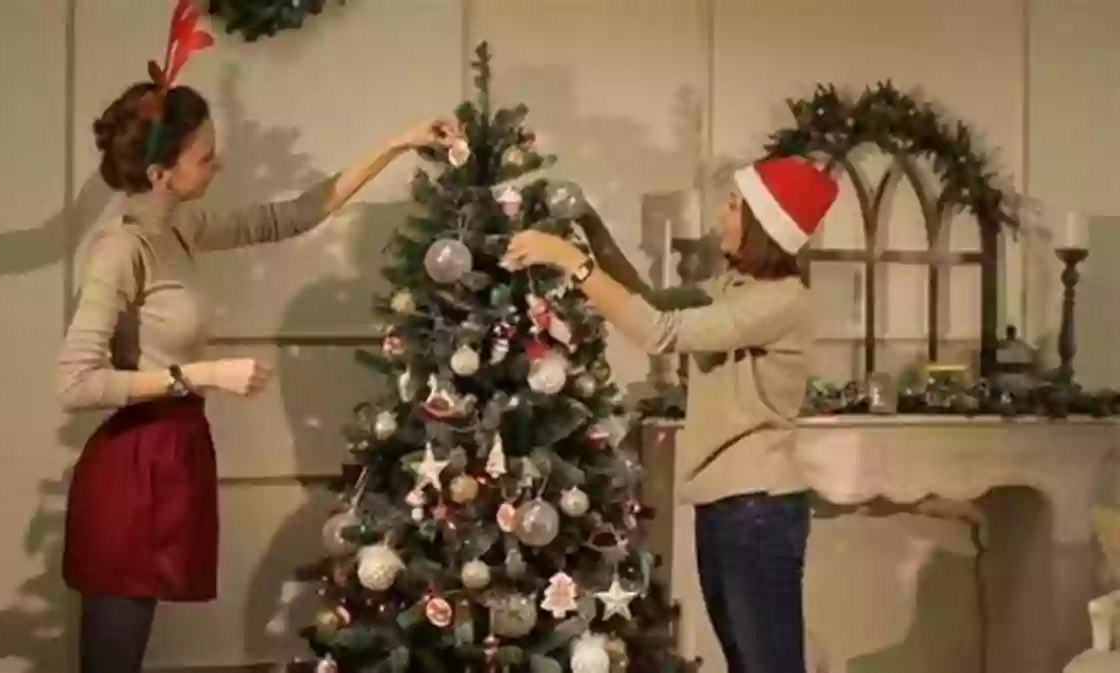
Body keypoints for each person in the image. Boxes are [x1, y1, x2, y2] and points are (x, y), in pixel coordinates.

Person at [55, 4, 461, 672]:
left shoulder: (179, 229)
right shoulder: (119, 250)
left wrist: (396, 143)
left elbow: (292, 215)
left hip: (173, 455)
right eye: (206, 157)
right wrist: (203, 376)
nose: (218, 166)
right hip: (132, 469)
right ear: (161, 174)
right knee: (111, 657)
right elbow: (74, 382)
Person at [503, 156, 838, 673]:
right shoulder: (735, 288)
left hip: (758, 511)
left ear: (763, 225)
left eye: (732, 206)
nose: (719, 217)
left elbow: (659, 331)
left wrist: (572, 260)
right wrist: (590, 229)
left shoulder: (782, 302)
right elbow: (650, 301)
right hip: (725, 506)